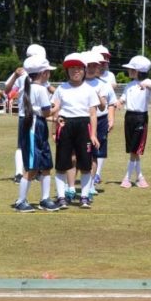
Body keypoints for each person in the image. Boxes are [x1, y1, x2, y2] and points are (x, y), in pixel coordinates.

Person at [51, 53, 100, 209]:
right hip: (65, 125)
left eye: (78, 68)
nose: (75, 71)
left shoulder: (89, 89)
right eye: (72, 69)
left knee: (85, 164)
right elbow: (56, 111)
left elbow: (93, 114)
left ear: (84, 70)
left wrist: (93, 134)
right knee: (61, 163)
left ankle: (84, 196)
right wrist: (53, 131)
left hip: (83, 125)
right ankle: (61, 197)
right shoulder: (61, 88)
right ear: (67, 71)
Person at [13, 55, 58, 212]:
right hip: (34, 128)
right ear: (43, 73)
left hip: (37, 125)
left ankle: (45, 199)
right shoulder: (40, 89)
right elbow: (46, 112)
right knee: (32, 167)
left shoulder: (30, 87)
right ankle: (20, 201)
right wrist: (59, 105)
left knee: (45, 164)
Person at [5, 44, 47, 181]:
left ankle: (34, 170)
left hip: (34, 115)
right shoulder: (23, 73)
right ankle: (20, 173)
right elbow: (7, 89)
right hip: (28, 114)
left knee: (34, 144)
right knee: (24, 144)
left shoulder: (37, 73)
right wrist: (15, 75)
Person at [118, 55, 151, 188]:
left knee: (134, 150)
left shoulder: (147, 82)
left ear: (138, 71)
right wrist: (119, 102)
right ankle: (140, 177)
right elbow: (123, 97)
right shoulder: (129, 85)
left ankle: (127, 177)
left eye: (132, 69)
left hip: (141, 118)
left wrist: (145, 84)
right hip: (129, 117)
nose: (129, 71)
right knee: (133, 150)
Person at [83, 51, 115, 197]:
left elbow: (111, 103)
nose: (90, 68)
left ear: (98, 67)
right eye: (88, 65)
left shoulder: (104, 85)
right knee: (76, 154)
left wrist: (111, 118)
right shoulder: (77, 82)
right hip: (81, 120)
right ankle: (69, 184)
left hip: (100, 120)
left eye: (94, 66)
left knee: (95, 154)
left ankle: (90, 185)